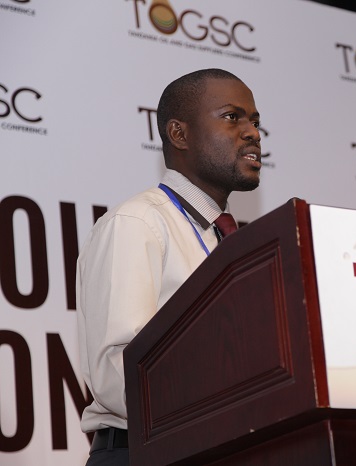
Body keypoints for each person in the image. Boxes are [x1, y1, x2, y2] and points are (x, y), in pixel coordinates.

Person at [76, 68, 262, 466]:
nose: (253, 133)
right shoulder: (138, 223)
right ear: (179, 134)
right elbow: (119, 375)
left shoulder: (229, 238)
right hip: (143, 453)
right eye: (233, 117)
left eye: (255, 121)